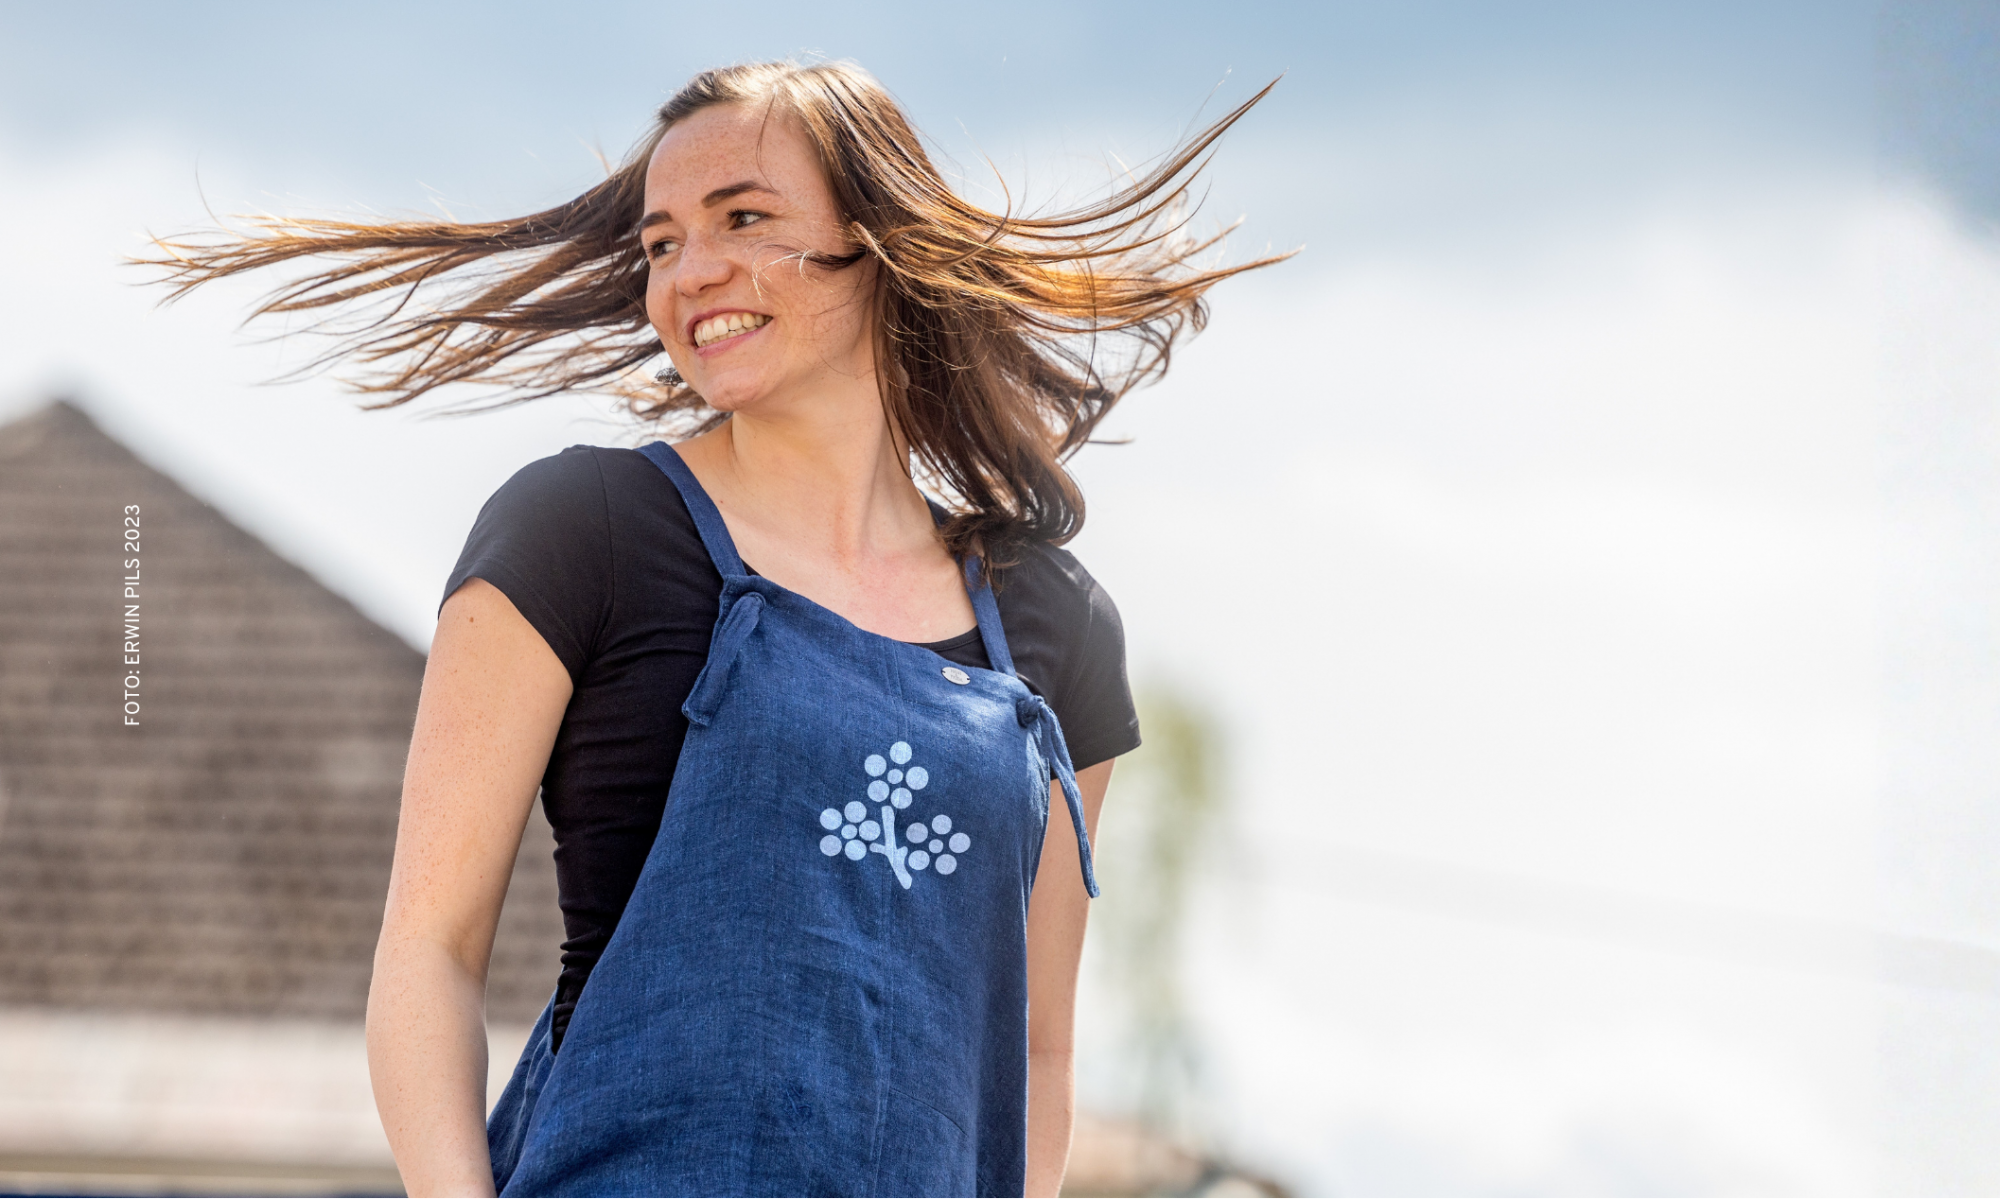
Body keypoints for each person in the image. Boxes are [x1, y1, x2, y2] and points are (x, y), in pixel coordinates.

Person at [147, 59, 1284, 1198]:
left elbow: (1032, 1042)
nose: (692, 272)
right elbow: (427, 954)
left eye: (743, 217)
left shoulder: (1053, 625)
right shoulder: (580, 531)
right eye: (660, 244)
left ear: (881, 242)